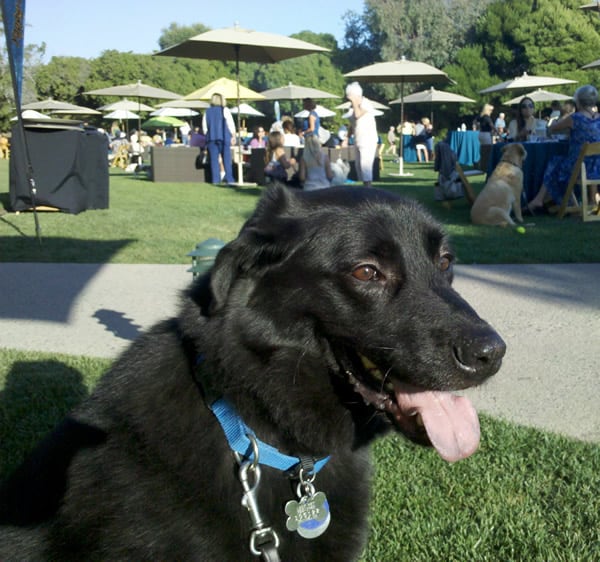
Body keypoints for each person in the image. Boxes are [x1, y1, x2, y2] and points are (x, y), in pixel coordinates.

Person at [527, 85, 600, 212]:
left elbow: (552, 129)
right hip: (597, 167)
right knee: (572, 161)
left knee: (554, 162)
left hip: (579, 168)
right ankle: (589, 201)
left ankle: (540, 199)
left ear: (578, 101)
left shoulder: (575, 118)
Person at [345, 81, 378, 187]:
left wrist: (355, 102)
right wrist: (347, 138)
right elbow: (352, 124)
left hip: (368, 140)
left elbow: (358, 115)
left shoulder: (366, 103)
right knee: (358, 166)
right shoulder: (352, 108)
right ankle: (366, 188)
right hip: (358, 139)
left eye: (350, 96)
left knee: (365, 166)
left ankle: (369, 190)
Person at [202, 92, 236, 185]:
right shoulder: (224, 110)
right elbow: (230, 124)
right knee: (226, 159)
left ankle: (215, 180)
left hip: (211, 138)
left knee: (214, 160)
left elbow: (205, 127)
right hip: (224, 137)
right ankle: (229, 179)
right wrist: (233, 135)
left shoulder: (207, 112)